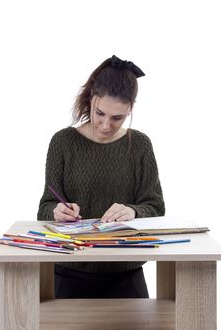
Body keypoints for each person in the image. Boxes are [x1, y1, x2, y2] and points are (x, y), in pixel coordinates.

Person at [37, 55, 165, 298]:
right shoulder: (63, 142)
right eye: (100, 113)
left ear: (130, 109)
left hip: (126, 274)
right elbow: (45, 207)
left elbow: (156, 207)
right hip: (68, 272)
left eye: (118, 118)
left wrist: (133, 211)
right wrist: (56, 211)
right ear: (90, 99)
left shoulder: (139, 145)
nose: (106, 125)